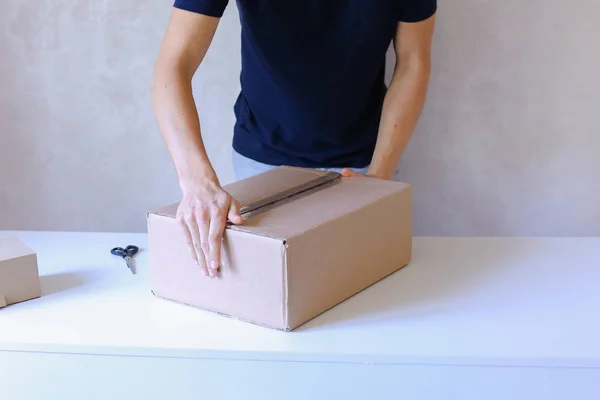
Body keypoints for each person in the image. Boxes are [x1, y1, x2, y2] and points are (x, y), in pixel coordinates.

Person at [151, 1, 436, 278]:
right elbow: (174, 65)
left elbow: (413, 62)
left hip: (367, 162)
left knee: (364, 293)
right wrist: (197, 183)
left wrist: (380, 173)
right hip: (262, 160)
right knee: (265, 289)